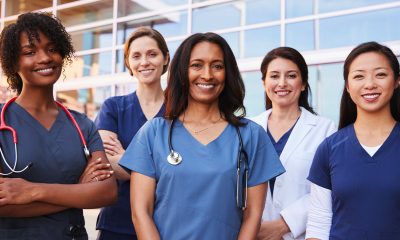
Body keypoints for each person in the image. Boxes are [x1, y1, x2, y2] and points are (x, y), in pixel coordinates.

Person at [118, 32, 285, 239]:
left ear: (228, 73)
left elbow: (252, 215)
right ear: (181, 71)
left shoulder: (251, 135)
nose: (207, 75)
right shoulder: (153, 133)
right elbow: (141, 213)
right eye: (196, 65)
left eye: (217, 66)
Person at [0, 12, 117, 239]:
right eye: (30, 52)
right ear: (14, 62)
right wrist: (78, 192)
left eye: (52, 49)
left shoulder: (82, 125)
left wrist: (31, 191)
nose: (45, 58)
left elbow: (107, 192)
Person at [306, 42, 400, 240]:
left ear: (397, 81)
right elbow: (319, 223)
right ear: (348, 86)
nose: (370, 84)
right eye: (359, 76)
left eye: (380, 74)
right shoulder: (329, 149)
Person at [252, 47, 335, 240]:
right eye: (274, 76)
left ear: (304, 83)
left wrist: (284, 224)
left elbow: (329, 188)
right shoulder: (247, 129)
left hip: (303, 234)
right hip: (253, 233)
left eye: (291, 76)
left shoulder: (325, 129)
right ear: (264, 82)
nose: (282, 83)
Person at [94, 27, 169, 240]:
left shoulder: (180, 112)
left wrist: (126, 158)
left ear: (166, 58)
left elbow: (184, 171)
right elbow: (104, 162)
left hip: (166, 225)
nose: (144, 62)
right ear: (128, 63)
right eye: (136, 56)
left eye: (152, 54)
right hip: (117, 224)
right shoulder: (113, 108)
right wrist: (158, 165)